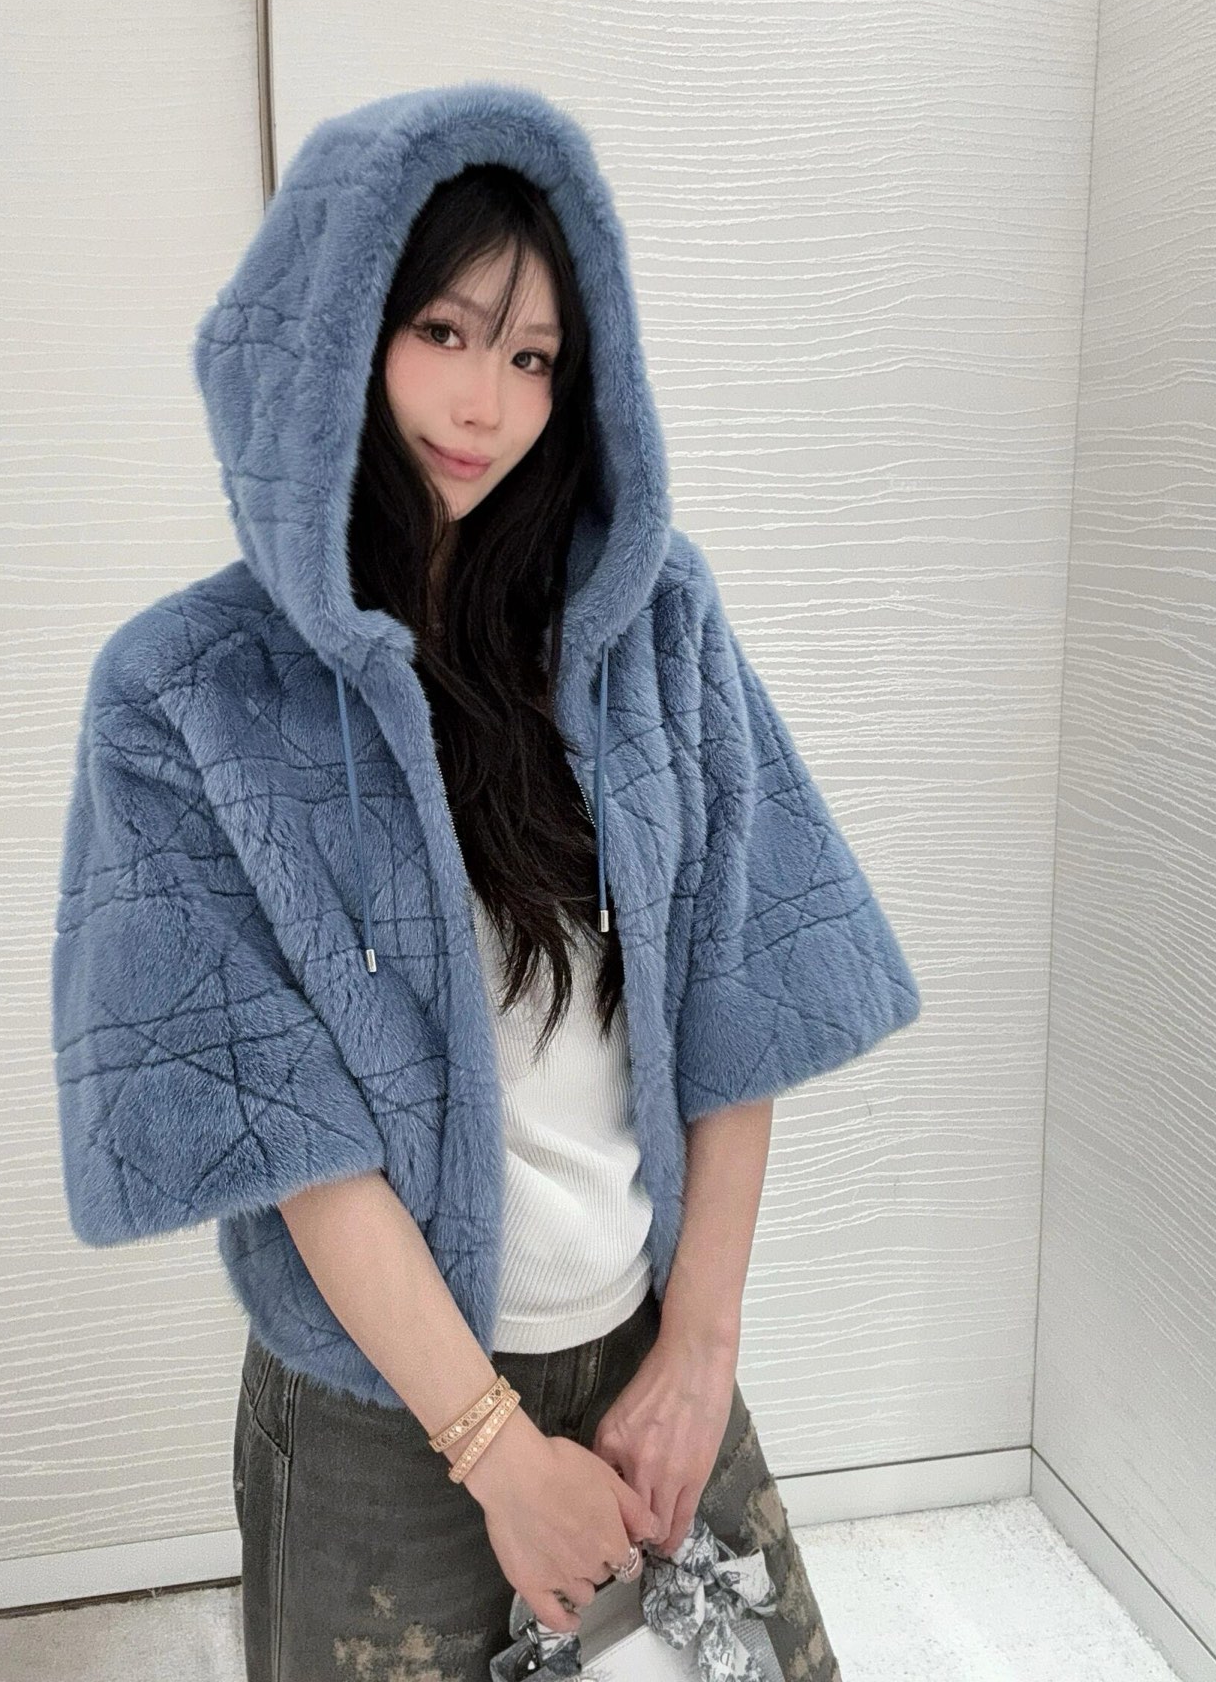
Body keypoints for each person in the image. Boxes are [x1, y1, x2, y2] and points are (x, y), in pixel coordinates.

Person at [50, 82, 921, 1682]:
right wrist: (496, 1450)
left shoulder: (651, 620)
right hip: (385, 1416)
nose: (487, 401)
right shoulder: (188, 696)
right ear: (335, 332)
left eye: (534, 358)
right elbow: (288, 1134)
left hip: (648, 1357)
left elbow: (743, 989)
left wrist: (699, 1350)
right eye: (444, 332)